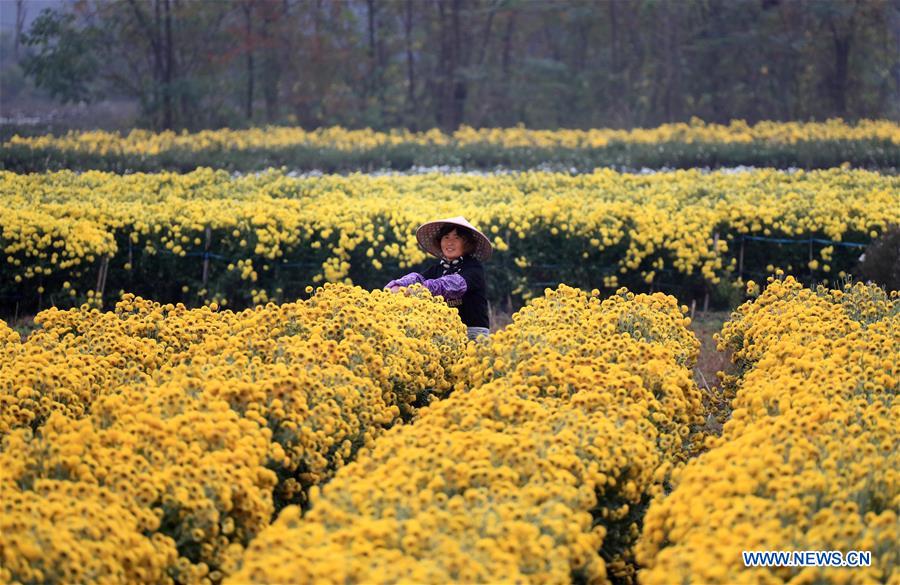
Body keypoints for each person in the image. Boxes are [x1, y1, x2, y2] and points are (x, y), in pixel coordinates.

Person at [385, 216, 491, 341]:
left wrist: (422, 289)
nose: (449, 242)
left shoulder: (473, 268)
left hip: (472, 333)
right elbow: (417, 277)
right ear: (439, 242)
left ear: (467, 244)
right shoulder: (438, 268)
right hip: (445, 332)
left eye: (456, 238)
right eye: (446, 237)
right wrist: (399, 285)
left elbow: (454, 284)